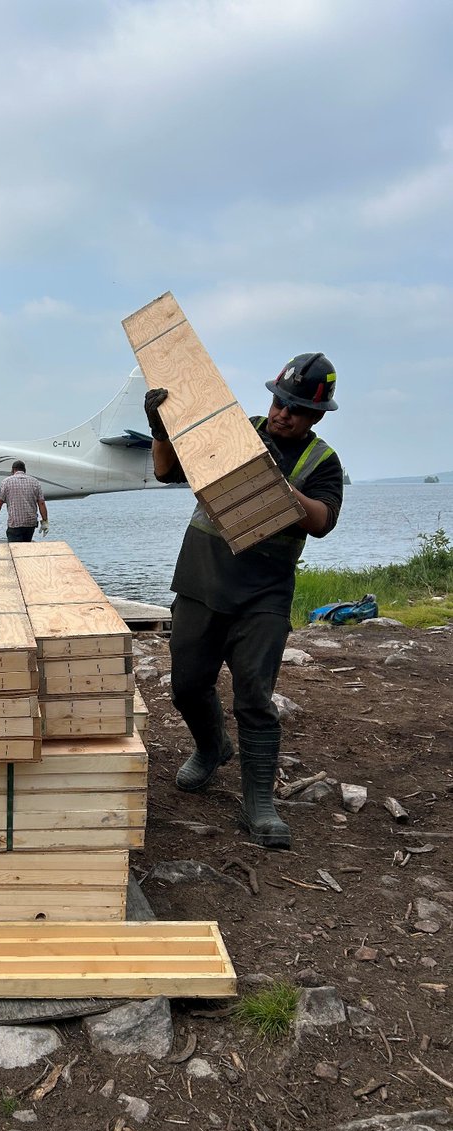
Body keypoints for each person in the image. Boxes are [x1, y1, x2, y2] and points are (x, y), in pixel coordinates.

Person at [146, 352, 344, 852]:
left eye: (296, 409)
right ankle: (211, 748)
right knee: (187, 685)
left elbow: (322, 521)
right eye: (280, 402)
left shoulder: (322, 461)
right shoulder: (236, 431)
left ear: (316, 416)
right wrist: (162, 429)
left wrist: (275, 486)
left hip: (263, 596)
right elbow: (169, 472)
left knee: (255, 699)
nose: (282, 414)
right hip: (199, 582)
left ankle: (259, 803)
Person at [0, 460, 49, 543]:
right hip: (30, 523)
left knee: (15, 550)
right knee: (26, 547)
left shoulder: (6, 482)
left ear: (13, 470)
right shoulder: (35, 482)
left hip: (15, 523)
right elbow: (41, 503)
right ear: (24, 470)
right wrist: (45, 521)